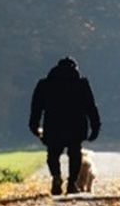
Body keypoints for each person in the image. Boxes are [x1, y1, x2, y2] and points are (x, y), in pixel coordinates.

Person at [29, 57, 100, 195]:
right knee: (75, 154)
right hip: (76, 125)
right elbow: (91, 107)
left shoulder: (45, 84)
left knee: (53, 154)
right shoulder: (81, 84)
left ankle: (56, 177)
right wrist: (95, 126)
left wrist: (34, 126)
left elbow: (36, 107)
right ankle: (72, 183)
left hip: (53, 124)